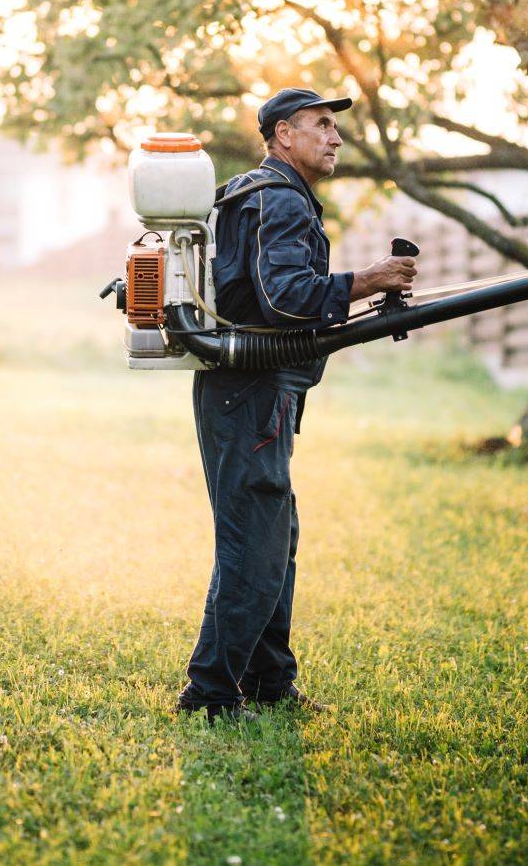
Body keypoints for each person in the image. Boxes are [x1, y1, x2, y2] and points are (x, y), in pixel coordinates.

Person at [176, 87, 417, 723]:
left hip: (248, 390)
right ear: (284, 134)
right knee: (253, 543)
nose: (336, 138)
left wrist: (359, 288)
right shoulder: (279, 198)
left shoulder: (260, 192)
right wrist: (366, 281)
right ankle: (210, 695)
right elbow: (285, 299)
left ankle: (270, 683)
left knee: (273, 536)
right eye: (322, 126)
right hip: (250, 392)